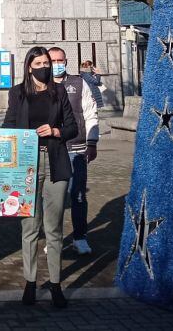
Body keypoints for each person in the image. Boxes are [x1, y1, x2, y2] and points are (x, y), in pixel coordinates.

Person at [0, 46, 77, 309]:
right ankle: (30, 282)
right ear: (29, 66)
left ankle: (55, 283)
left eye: (48, 63)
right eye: (40, 63)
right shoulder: (17, 93)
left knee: (53, 228)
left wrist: (56, 131)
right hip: (27, 166)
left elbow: (72, 127)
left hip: (55, 162)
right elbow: (9, 125)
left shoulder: (59, 91)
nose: (45, 67)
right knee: (30, 227)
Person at [48, 47, 100, 255]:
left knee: (77, 194)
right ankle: (54, 239)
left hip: (76, 148)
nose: (57, 64)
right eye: (52, 61)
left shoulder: (79, 83)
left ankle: (80, 237)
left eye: (60, 60)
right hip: (52, 148)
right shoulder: (42, 85)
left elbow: (90, 113)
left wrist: (92, 142)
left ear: (66, 61)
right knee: (52, 198)